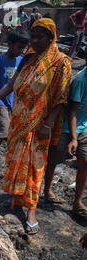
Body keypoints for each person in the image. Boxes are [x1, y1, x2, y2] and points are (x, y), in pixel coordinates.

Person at [0, 18, 72, 234]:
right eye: (33, 36)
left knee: (34, 166)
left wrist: (48, 124)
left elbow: (61, 98)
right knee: (15, 159)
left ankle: (31, 209)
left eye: (41, 37)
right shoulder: (27, 58)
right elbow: (11, 85)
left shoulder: (61, 63)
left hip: (40, 125)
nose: (36, 41)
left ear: (51, 38)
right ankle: (14, 199)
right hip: (18, 122)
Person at [44, 53, 87, 218]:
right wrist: (74, 138)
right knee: (54, 159)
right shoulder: (81, 81)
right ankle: (47, 190)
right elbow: (72, 111)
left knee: (85, 163)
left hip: (83, 128)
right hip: (66, 128)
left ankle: (77, 202)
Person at [0, 30, 30, 171]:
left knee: (6, 135)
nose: (21, 51)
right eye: (19, 47)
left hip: (13, 102)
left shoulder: (21, 61)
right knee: (3, 133)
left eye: (23, 48)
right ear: (10, 44)